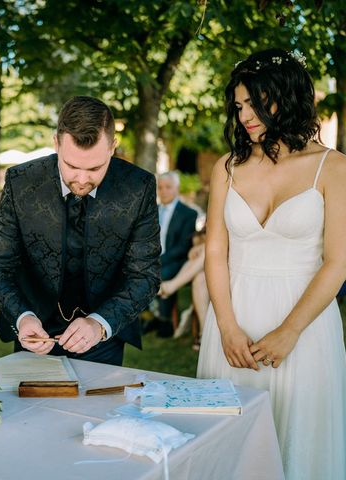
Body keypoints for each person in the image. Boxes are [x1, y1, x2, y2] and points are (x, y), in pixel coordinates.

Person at [197, 48, 346, 479]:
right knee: (229, 446)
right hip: (233, 322)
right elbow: (214, 252)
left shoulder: (332, 168)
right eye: (239, 105)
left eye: (255, 103)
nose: (245, 115)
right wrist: (225, 327)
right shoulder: (228, 166)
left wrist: (289, 331)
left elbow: (337, 263)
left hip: (304, 328)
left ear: (288, 97)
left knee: (298, 445)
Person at [0, 96, 161, 366]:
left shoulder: (139, 187)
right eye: (71, 166)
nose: (81, 179)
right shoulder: (21, 182)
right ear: (56, 143)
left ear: (112, 147)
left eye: (94, 168)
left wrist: (99, 324)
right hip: (33, 333)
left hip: (102, 337)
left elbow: (145, 276)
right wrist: (22, 317)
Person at [145, 172, 197, 338]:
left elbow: (183, 247)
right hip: (151, 259)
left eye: (168, 187)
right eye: (160, 188)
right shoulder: (151, 211)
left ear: (177, 189)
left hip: (176, 260)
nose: (163, 191)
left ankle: (164, 319)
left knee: (161, 275)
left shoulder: (188, 214)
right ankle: (149, 315)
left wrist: (158, 261)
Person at [158, 227, 208, 348]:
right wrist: (197, 248)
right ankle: (204, 332)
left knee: (209, 248)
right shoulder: (202, 233)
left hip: (231, 267)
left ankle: (171, 286)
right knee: (200, 278)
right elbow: (192, 255)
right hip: (207, 271)